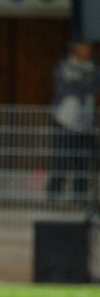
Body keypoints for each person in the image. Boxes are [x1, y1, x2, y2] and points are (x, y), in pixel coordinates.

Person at [47, 40, 100, 205]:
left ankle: (80, 198)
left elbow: (94, 86)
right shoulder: (63, 67)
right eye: (84, 48)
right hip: (64, 120)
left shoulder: (93, 69)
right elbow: (62, 88)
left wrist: (76, 85)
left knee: (83, 161)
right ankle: (54, 197)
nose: (87, 52)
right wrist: (83, 86)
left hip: (86, 122)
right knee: (60, 160)